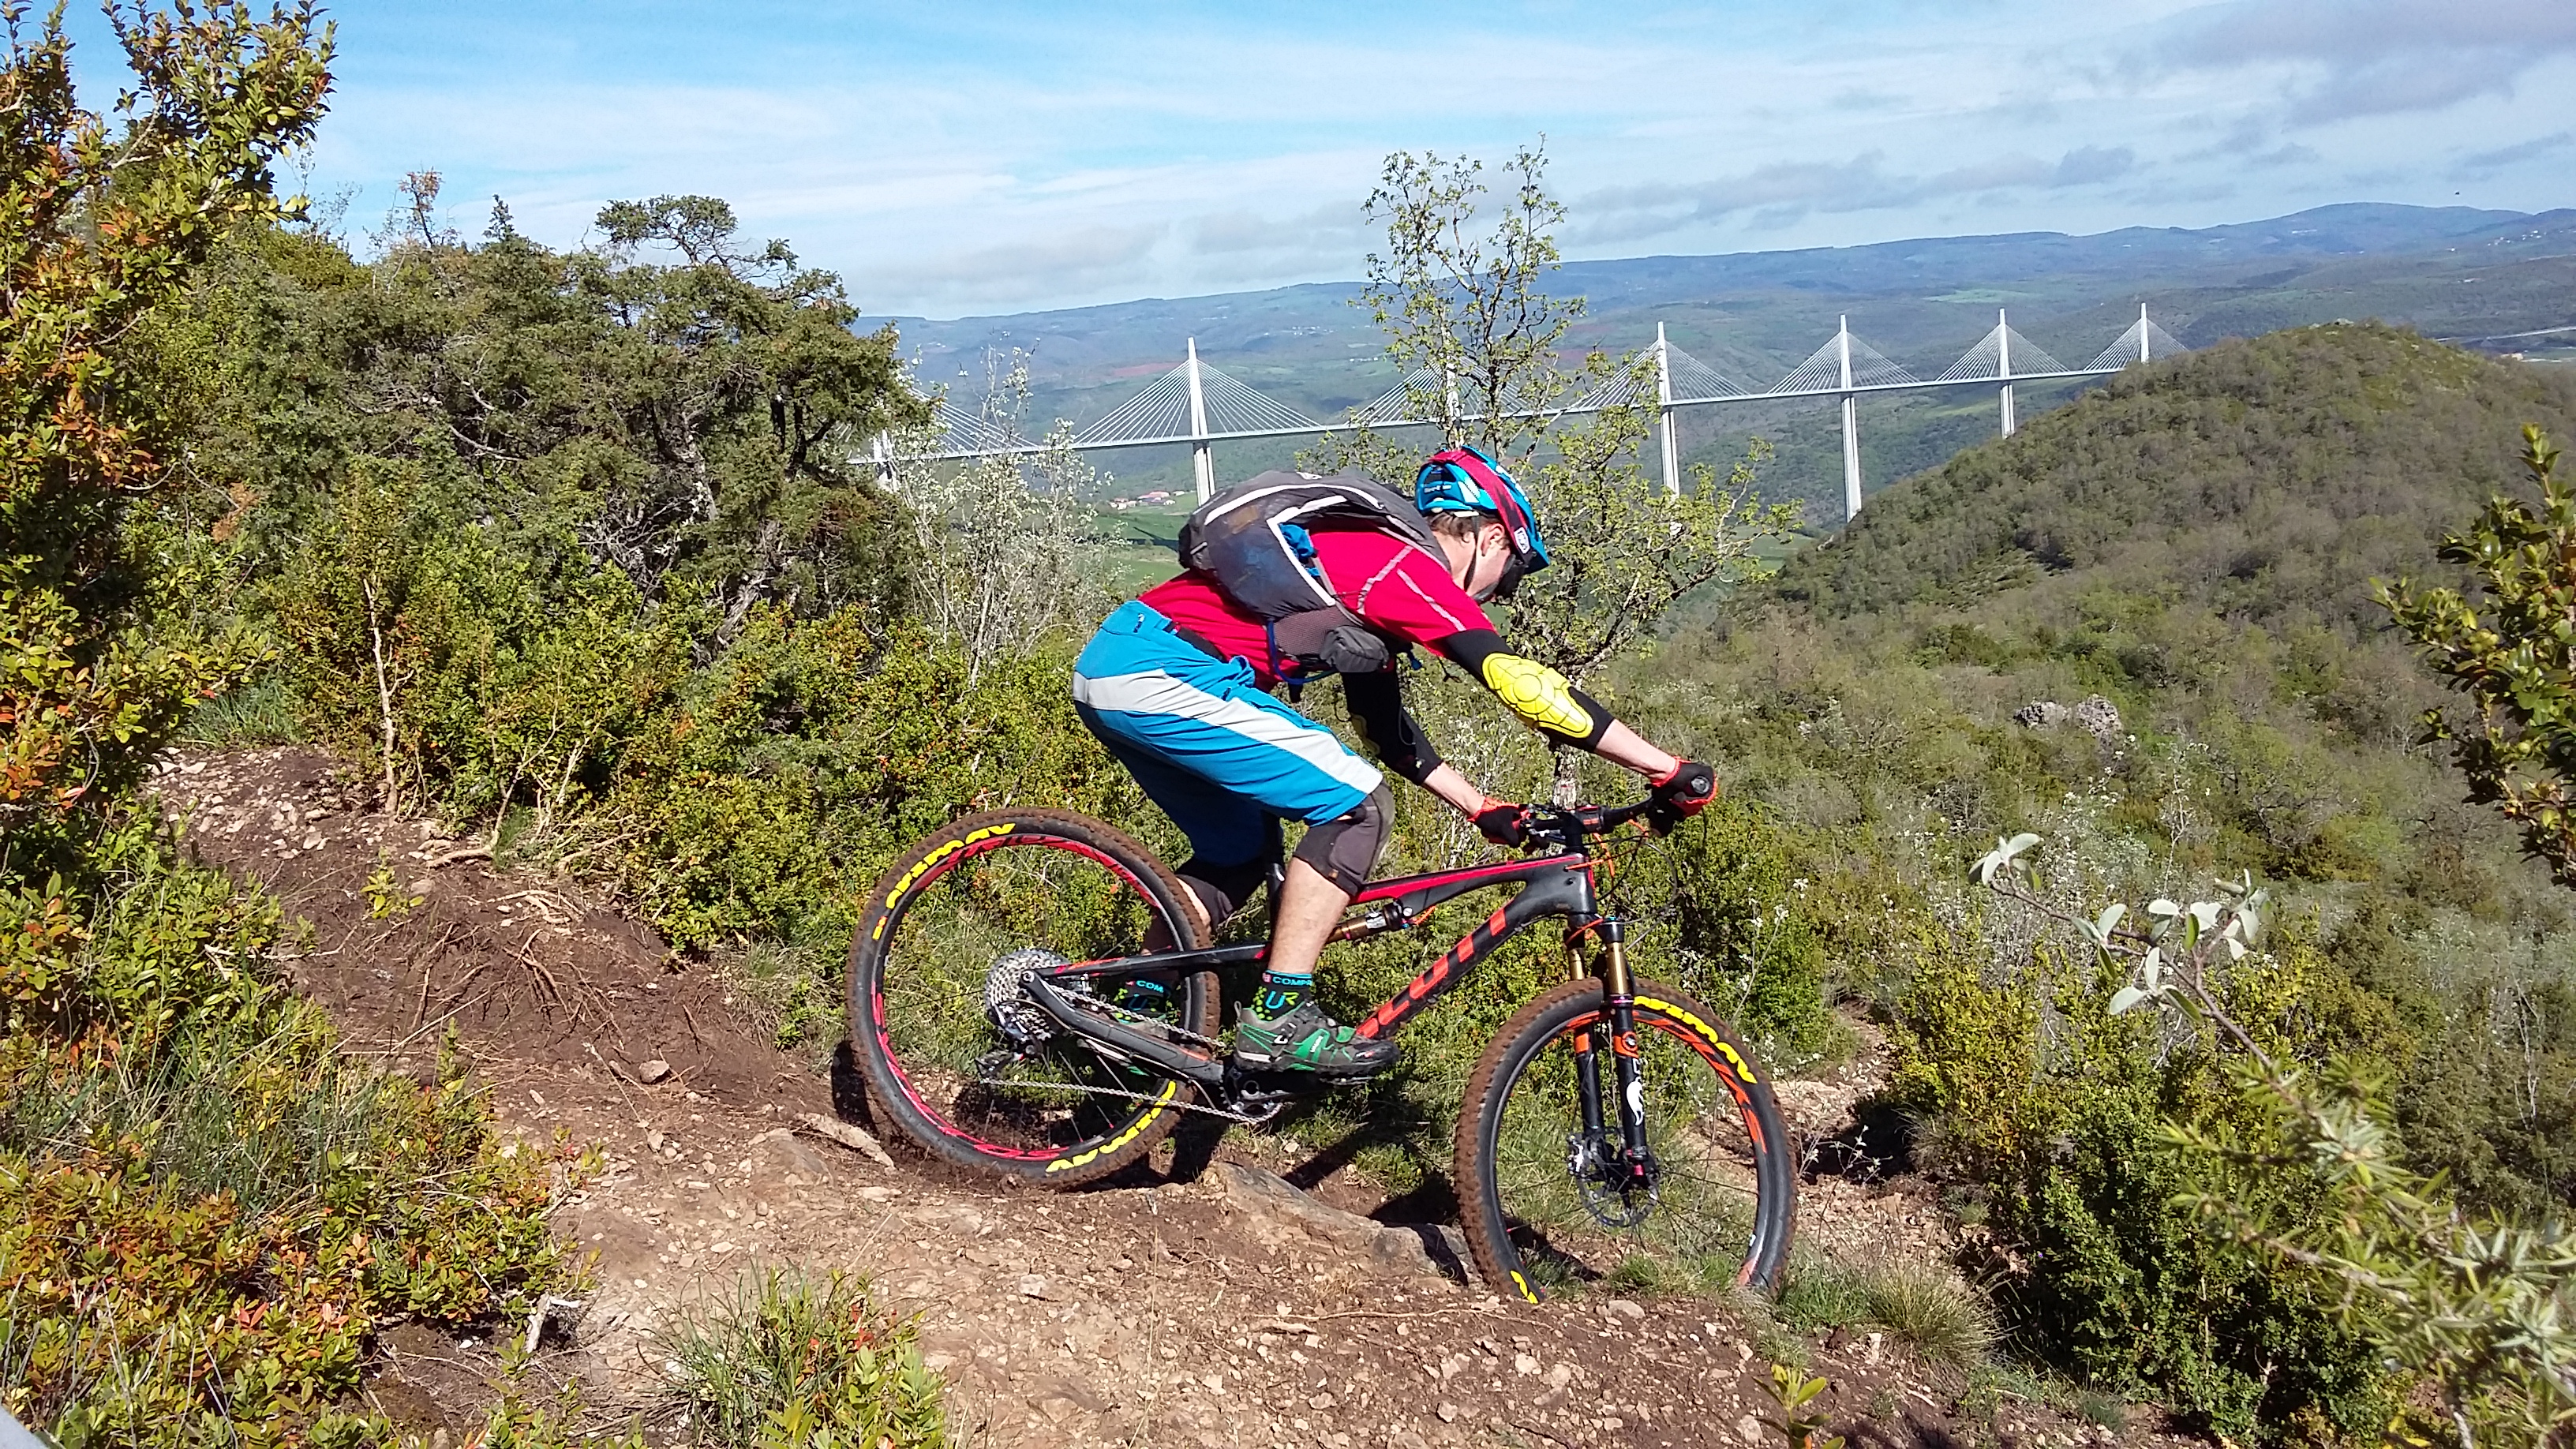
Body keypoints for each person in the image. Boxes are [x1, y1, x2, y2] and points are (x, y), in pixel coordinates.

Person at [1070, 445, 1716, 1076]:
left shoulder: (1368, 578)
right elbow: (1523, 685)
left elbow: (1386, 732)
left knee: (1237, 856)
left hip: (1124, 671)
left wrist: (1481, 808)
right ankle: (1278, 1018)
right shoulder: (1404, 568)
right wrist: (1665, 767)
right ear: (1490, 538)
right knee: (1359, 805)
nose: (1500, 595)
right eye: (1512, 575)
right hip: (1161, 674)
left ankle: (1136, 1007)